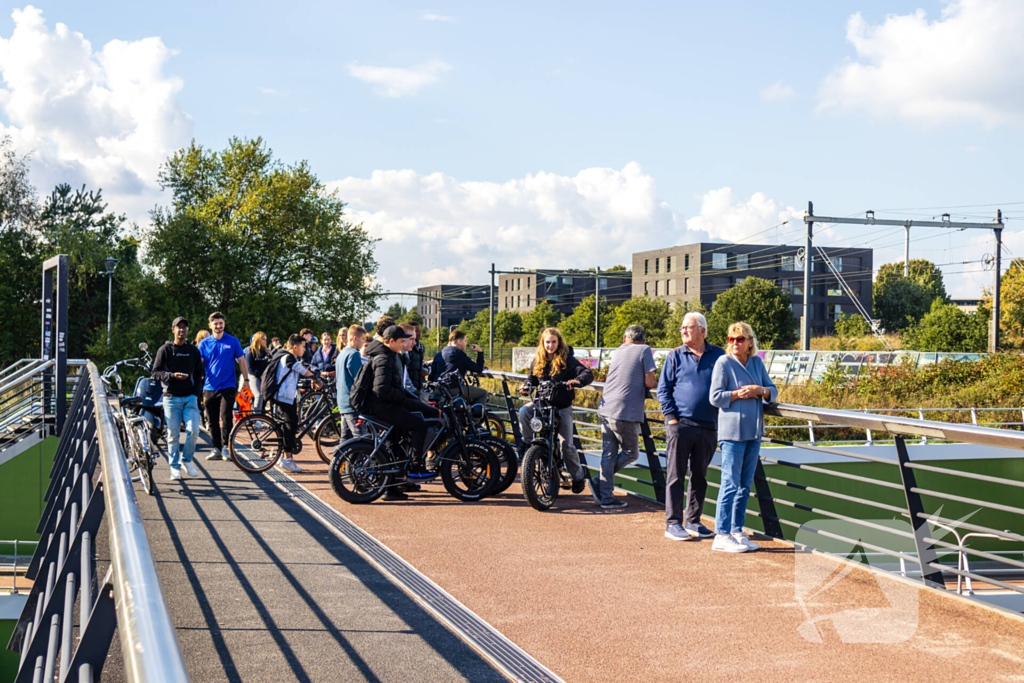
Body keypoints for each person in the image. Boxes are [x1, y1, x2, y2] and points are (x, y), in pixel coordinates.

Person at [709, 322, 778, 553]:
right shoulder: (723, 363)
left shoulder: (757, 362)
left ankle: (737, 531)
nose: (735, 343)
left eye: (740, 339)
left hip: (754, 431)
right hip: (732, 433)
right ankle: (721, 533)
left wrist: (761, 391)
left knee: (745, 485)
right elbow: (715, 397)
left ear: (750, 342)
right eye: (731, 339)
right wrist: (738, 394)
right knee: (729, 483)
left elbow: (772, 390)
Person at [658, 311, 725, 542]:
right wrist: (672, 419)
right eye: (682, 327)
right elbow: (663, 389)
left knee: (700, 476)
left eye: (689, 327)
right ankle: (673, 523)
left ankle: (693, 521)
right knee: (676, 476)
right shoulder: (674, 356)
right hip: (681, 424)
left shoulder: (719, 355)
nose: (684, 330)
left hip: (708, 426)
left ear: (703, 331)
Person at [365, 325, 440, 500]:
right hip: (384, 407)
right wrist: (403, 397)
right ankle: (415, 466)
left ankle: (391, 489)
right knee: (419, 425)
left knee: (394, 443)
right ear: (391, 341)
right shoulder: (384, 358)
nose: (403, 345)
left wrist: (411, 399)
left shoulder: (385, 354)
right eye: (401, 342)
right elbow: (382, 390)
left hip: (384, 405)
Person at [518, 328, 593, 493]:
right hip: (541, 403)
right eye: (547, 342)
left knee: (567, 446)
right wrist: (526, 386)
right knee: (524, 411)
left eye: (553, 342)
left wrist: (577, 381)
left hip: (562, 406)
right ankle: (527, 443)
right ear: (542, 344)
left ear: (559, 342)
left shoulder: (567, 360)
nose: (550, 345)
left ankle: (578, 476)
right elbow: (531, 379)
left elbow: (587, 373)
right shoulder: (538, 361)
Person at [591, 324, 657, 509]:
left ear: (624, 339)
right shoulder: (644, 350)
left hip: (606, 407)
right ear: (643, 340)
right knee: (631, 453)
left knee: (609, 453)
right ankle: (599, 483)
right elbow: (649, 382)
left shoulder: (618, 350)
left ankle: (605, 496)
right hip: (624, 411)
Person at [151, 317, 204, 481]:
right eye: (178, 327)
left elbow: (200, 373)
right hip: (171, 398)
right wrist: (172, 376)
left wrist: (196, 393)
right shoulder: (165, 350)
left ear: (188, 331)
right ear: (173, 330)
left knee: (193, 431)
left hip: (190, 398)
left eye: (184, 327)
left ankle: (186, 461)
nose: (182, 330)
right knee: (173, 435)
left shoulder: (193, 350)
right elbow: (155, 373)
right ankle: (174, 468)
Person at [198, 312, 250, 461]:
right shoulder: (204, 343)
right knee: (212, 419)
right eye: (216, 324)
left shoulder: (233, 341)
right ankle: (216, 449)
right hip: (209, 386)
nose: (219, 326)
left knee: (226, 417)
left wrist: (246, 380)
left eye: (221, 323)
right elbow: (198, 364)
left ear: (224, 324)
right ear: (210, 325)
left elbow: (241, 360)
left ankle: (226, 447)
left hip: (228, 385)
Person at [268, 334, 320, 473]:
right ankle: (287, 460)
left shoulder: (285, 355)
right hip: (284, 396)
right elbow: (303, 371)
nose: (304, 350)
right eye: (303, 347)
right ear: (295, 347)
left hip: (282, 395)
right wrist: (317, 378)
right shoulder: (289, 358)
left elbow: (302, 368)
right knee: (291, 426)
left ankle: (283, 454)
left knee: (288, 424)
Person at [429, 330, 487, 406]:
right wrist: (480, 352)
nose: (466, 344)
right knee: (483, 393)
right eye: (465, 341)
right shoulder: (459, 354)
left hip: (438, 389)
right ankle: (475, 417)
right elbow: (478, 369)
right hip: (453, 388)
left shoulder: (439, 354)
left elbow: (432, 374)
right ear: (459, 341)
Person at [336, 325, 368, 440]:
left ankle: (340, 458)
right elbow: (359, 379)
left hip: (342, 401)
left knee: (346, 439)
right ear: (355, 338)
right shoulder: (354, 354)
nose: (363, 342)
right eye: (363, 339)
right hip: (352, 403)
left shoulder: (342, 353)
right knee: (361, 438)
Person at [244, 331, 271, 410]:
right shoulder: (250, 351)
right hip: (254, 376)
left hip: (264, 376)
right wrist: (260, 375)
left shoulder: (266, 351)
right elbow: (249, 368)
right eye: (263, 339)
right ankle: (257, 418)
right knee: (258, 395)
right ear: (258, 340)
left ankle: (262, 415)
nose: (265, 341)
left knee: (265, 396)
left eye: (266, 339)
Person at [406, 323, 426, 393]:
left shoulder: (421, 347)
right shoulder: (406, 348)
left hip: (418, 383)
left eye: (419, 330)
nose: (419, 333)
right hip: (409, 387)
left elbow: (420, 364)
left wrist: (425, 370)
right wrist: (411, 388)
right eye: (416, 331)